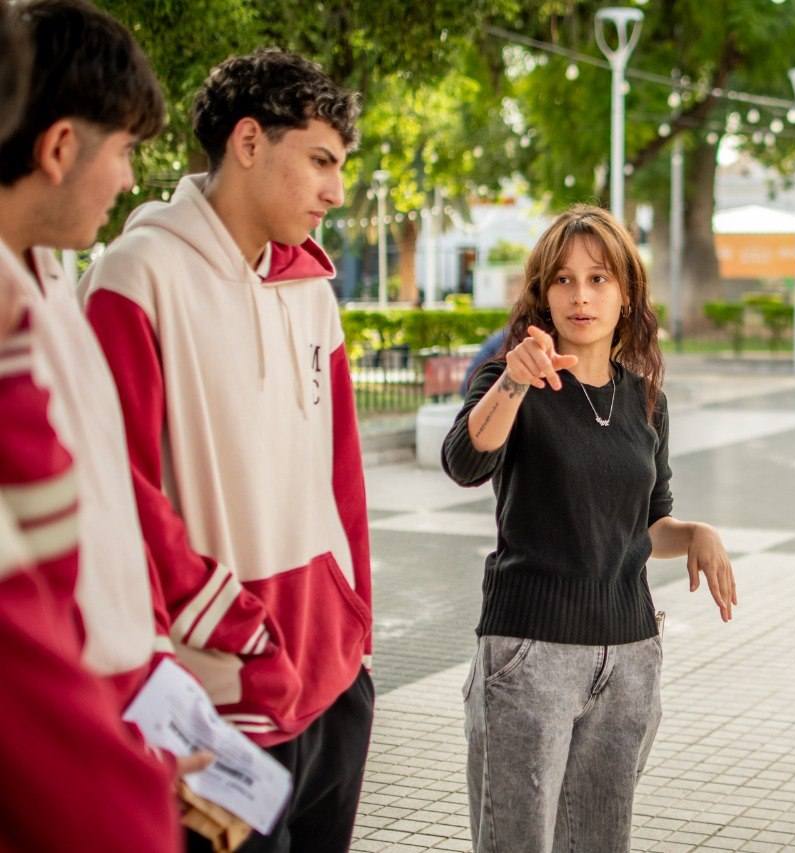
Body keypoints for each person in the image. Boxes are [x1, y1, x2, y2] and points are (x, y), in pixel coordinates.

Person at [81, 48, 374, 853]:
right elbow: (120, 495)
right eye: (320, 160)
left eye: (340, 167)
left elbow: (342, 475)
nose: (335, 191)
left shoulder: (312, 288)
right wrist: (240, 631)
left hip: (334, 681)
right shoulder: (133, 276)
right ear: (249, 142)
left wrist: (358, 628)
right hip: (218, 697)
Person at [442, 204, 738, 853]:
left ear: (626, 293)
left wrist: (694, 535)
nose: (581, 296)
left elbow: (650, 521)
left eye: (599, 279)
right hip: (531, 652)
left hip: (629, 653)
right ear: (543, 293)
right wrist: (516, 381)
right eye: (564, 280)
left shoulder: (645, 398)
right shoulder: (512, 379)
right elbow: (465, 460)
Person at [0, 2, 182, 849]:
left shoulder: (49, 280)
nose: (130, 180)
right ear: (60, 147)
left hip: (118, 705)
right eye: (125, 151)